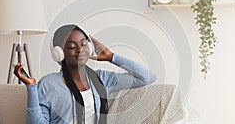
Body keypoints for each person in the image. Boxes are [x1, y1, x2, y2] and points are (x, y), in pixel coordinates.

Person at [14, 24, 156, 124]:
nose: (80, 49)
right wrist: (32, 88)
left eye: (83, 44)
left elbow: (146, 77)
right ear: (59, 53)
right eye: (71, 46)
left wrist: (111, 56)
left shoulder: (102, 79)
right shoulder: (48, 84)